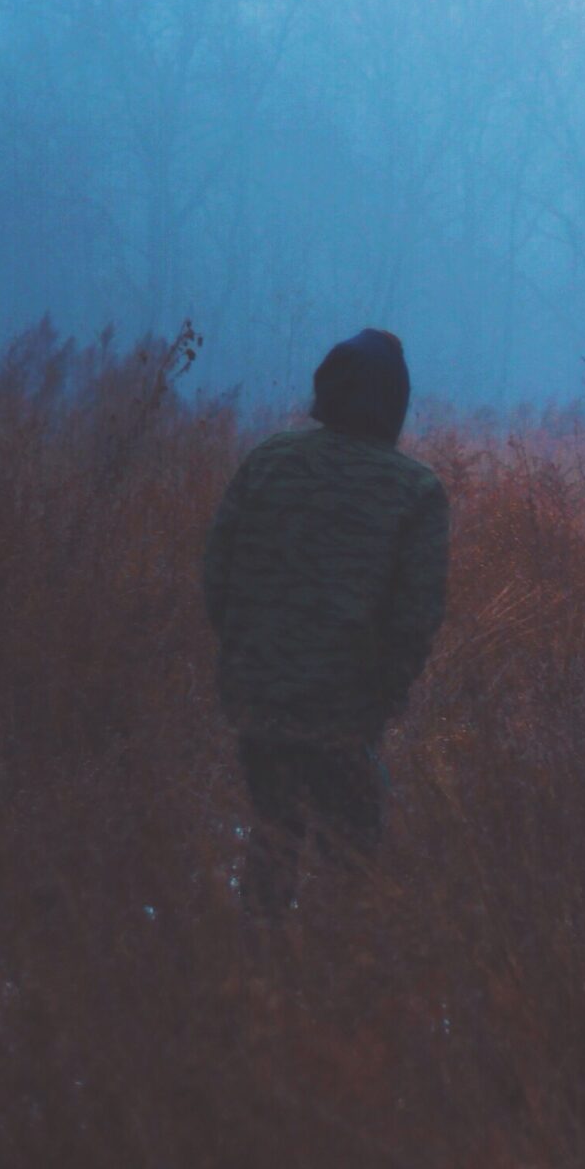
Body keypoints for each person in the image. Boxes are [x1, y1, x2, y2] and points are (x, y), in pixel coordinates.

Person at [202, 329, 448, 913]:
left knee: (272, 834)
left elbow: (218, 572)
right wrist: (384, 695)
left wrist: (249, 655)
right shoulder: (415, 490)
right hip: (346, 710)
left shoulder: (268, 459)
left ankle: (256, 954)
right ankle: (332, 960)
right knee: (353, 857)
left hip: (257, 693)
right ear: (394, 400)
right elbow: (416, 617)